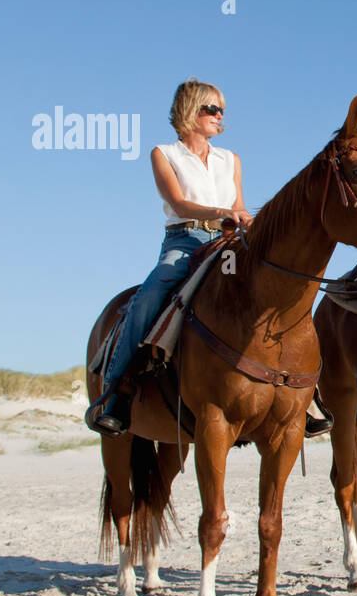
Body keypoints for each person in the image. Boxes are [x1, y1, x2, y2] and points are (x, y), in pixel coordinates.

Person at [88, 78, 261, 436]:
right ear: (190, 110)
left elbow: (239, 206)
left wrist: (245, 218)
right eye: (211, 108)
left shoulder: (231, 159)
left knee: (276, 286)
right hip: (185, 240)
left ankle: (302, 395)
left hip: (228, 241)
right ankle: (119, 391)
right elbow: (179, 203)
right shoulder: (164, 154)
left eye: (221, 109)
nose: (219, 115)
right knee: (149, 296)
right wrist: (220, 212)